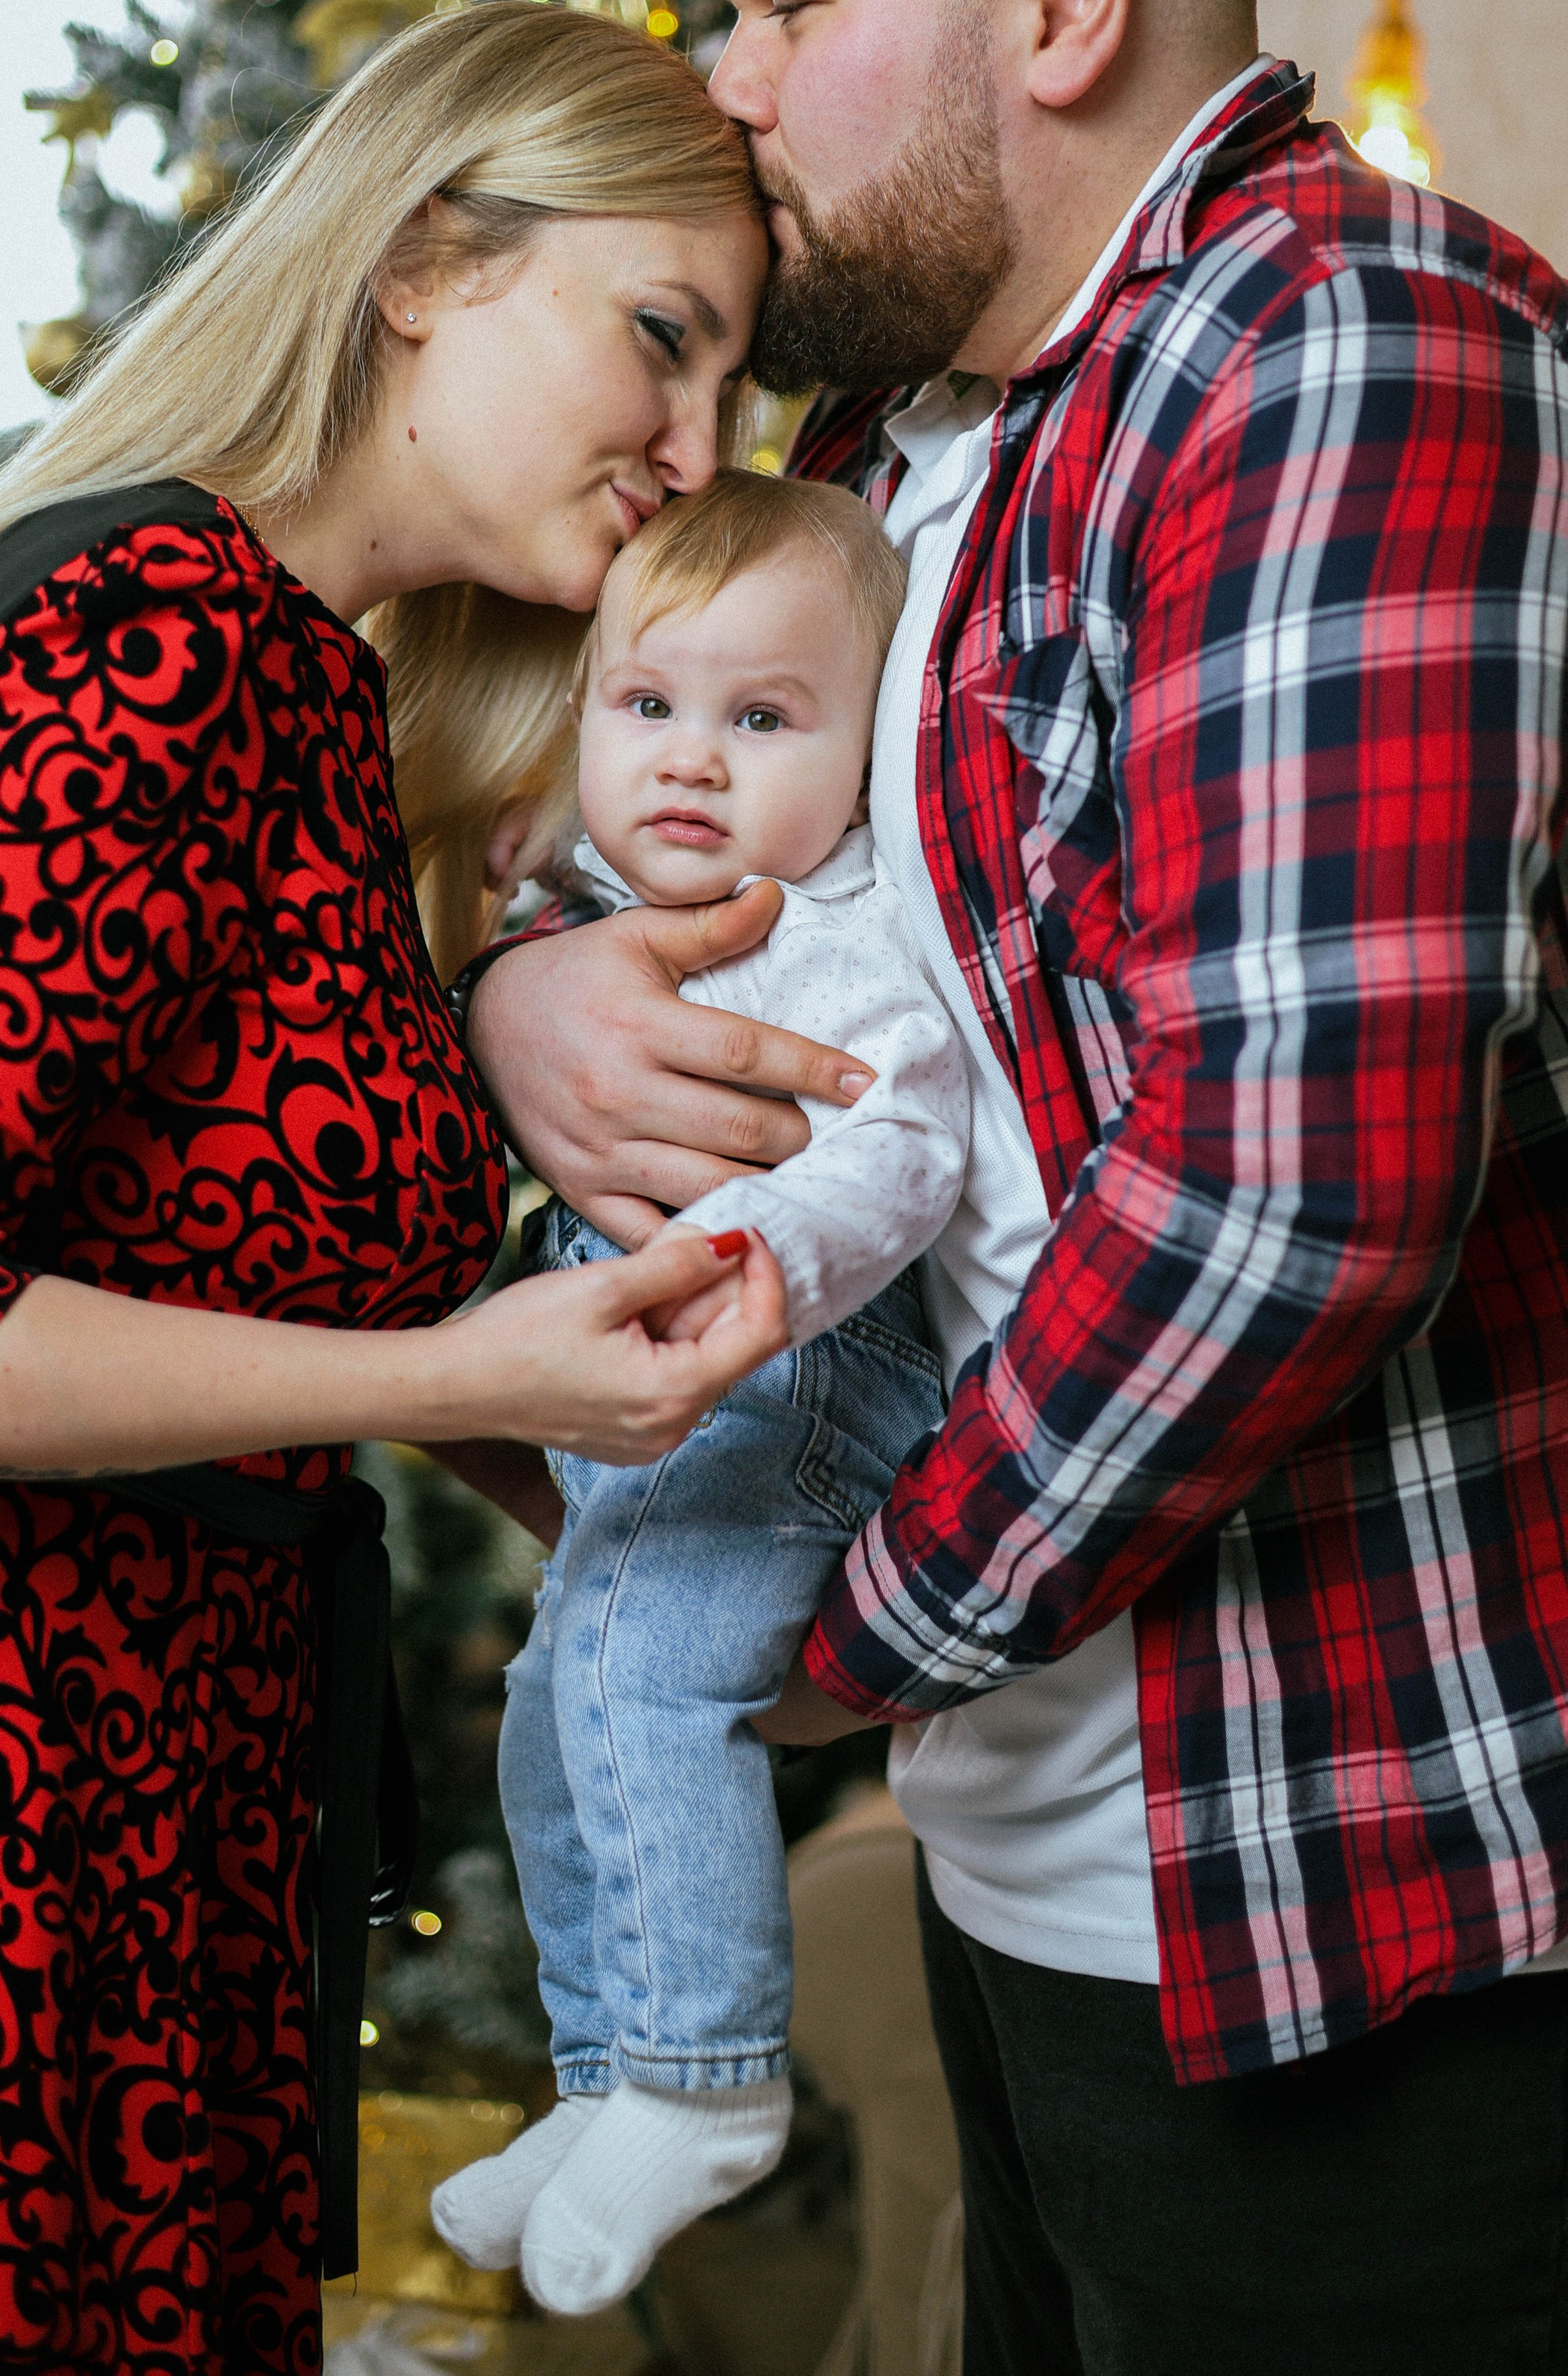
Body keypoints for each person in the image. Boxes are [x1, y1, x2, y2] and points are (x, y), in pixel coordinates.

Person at [466, 0, 1568, 2372]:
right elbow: (692, 838)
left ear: (1060, 5)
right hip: (1033, 1858)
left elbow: (1293, 1196)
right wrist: (526, 983)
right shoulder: (903, 437)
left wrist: (835, 1635)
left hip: (1387, 1894)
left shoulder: (1346, 348)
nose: (728, 84)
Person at [0, 1, 840, 2376]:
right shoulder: (155, 636)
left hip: (142, 1830)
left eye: (734, 386)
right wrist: (457, 1379)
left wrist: (637, 1517)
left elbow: (210, 1255)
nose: (696, 451)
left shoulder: (317, 689)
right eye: (659, 336)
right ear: (424, 264)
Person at [433, 469, 964, 2316]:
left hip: (799, 1373)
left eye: (761, 720)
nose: (688, 758)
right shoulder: (583, 913)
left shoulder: (838, 933)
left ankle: (703, 2078)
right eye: (648, 704)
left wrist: (760, 1273)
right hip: (690, 1372)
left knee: (649, 1686)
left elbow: (905, 1149)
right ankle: (603, 2072)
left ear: (863, 749)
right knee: (557, 1703)